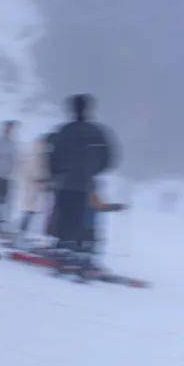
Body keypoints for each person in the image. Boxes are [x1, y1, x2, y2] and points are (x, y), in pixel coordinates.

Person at [49, 95, 117, 269]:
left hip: (65, 183)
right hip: (87, 184)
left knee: (66, 217)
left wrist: (56, 174)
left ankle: (65, 250)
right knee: (85, 219)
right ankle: (84, 252)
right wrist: (92, 171)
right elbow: (109, 159)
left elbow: (53, 159)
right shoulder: (98, 132)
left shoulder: (65, 131)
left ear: (72, 109)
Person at [18, 131, 56, 241]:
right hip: (34, 185)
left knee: (41, 210)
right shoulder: (36, 152)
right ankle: (23, 233)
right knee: (31, 209)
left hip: (42, 184)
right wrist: (40, 179)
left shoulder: (44, 152)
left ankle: (35, 234)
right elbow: (30, 168)